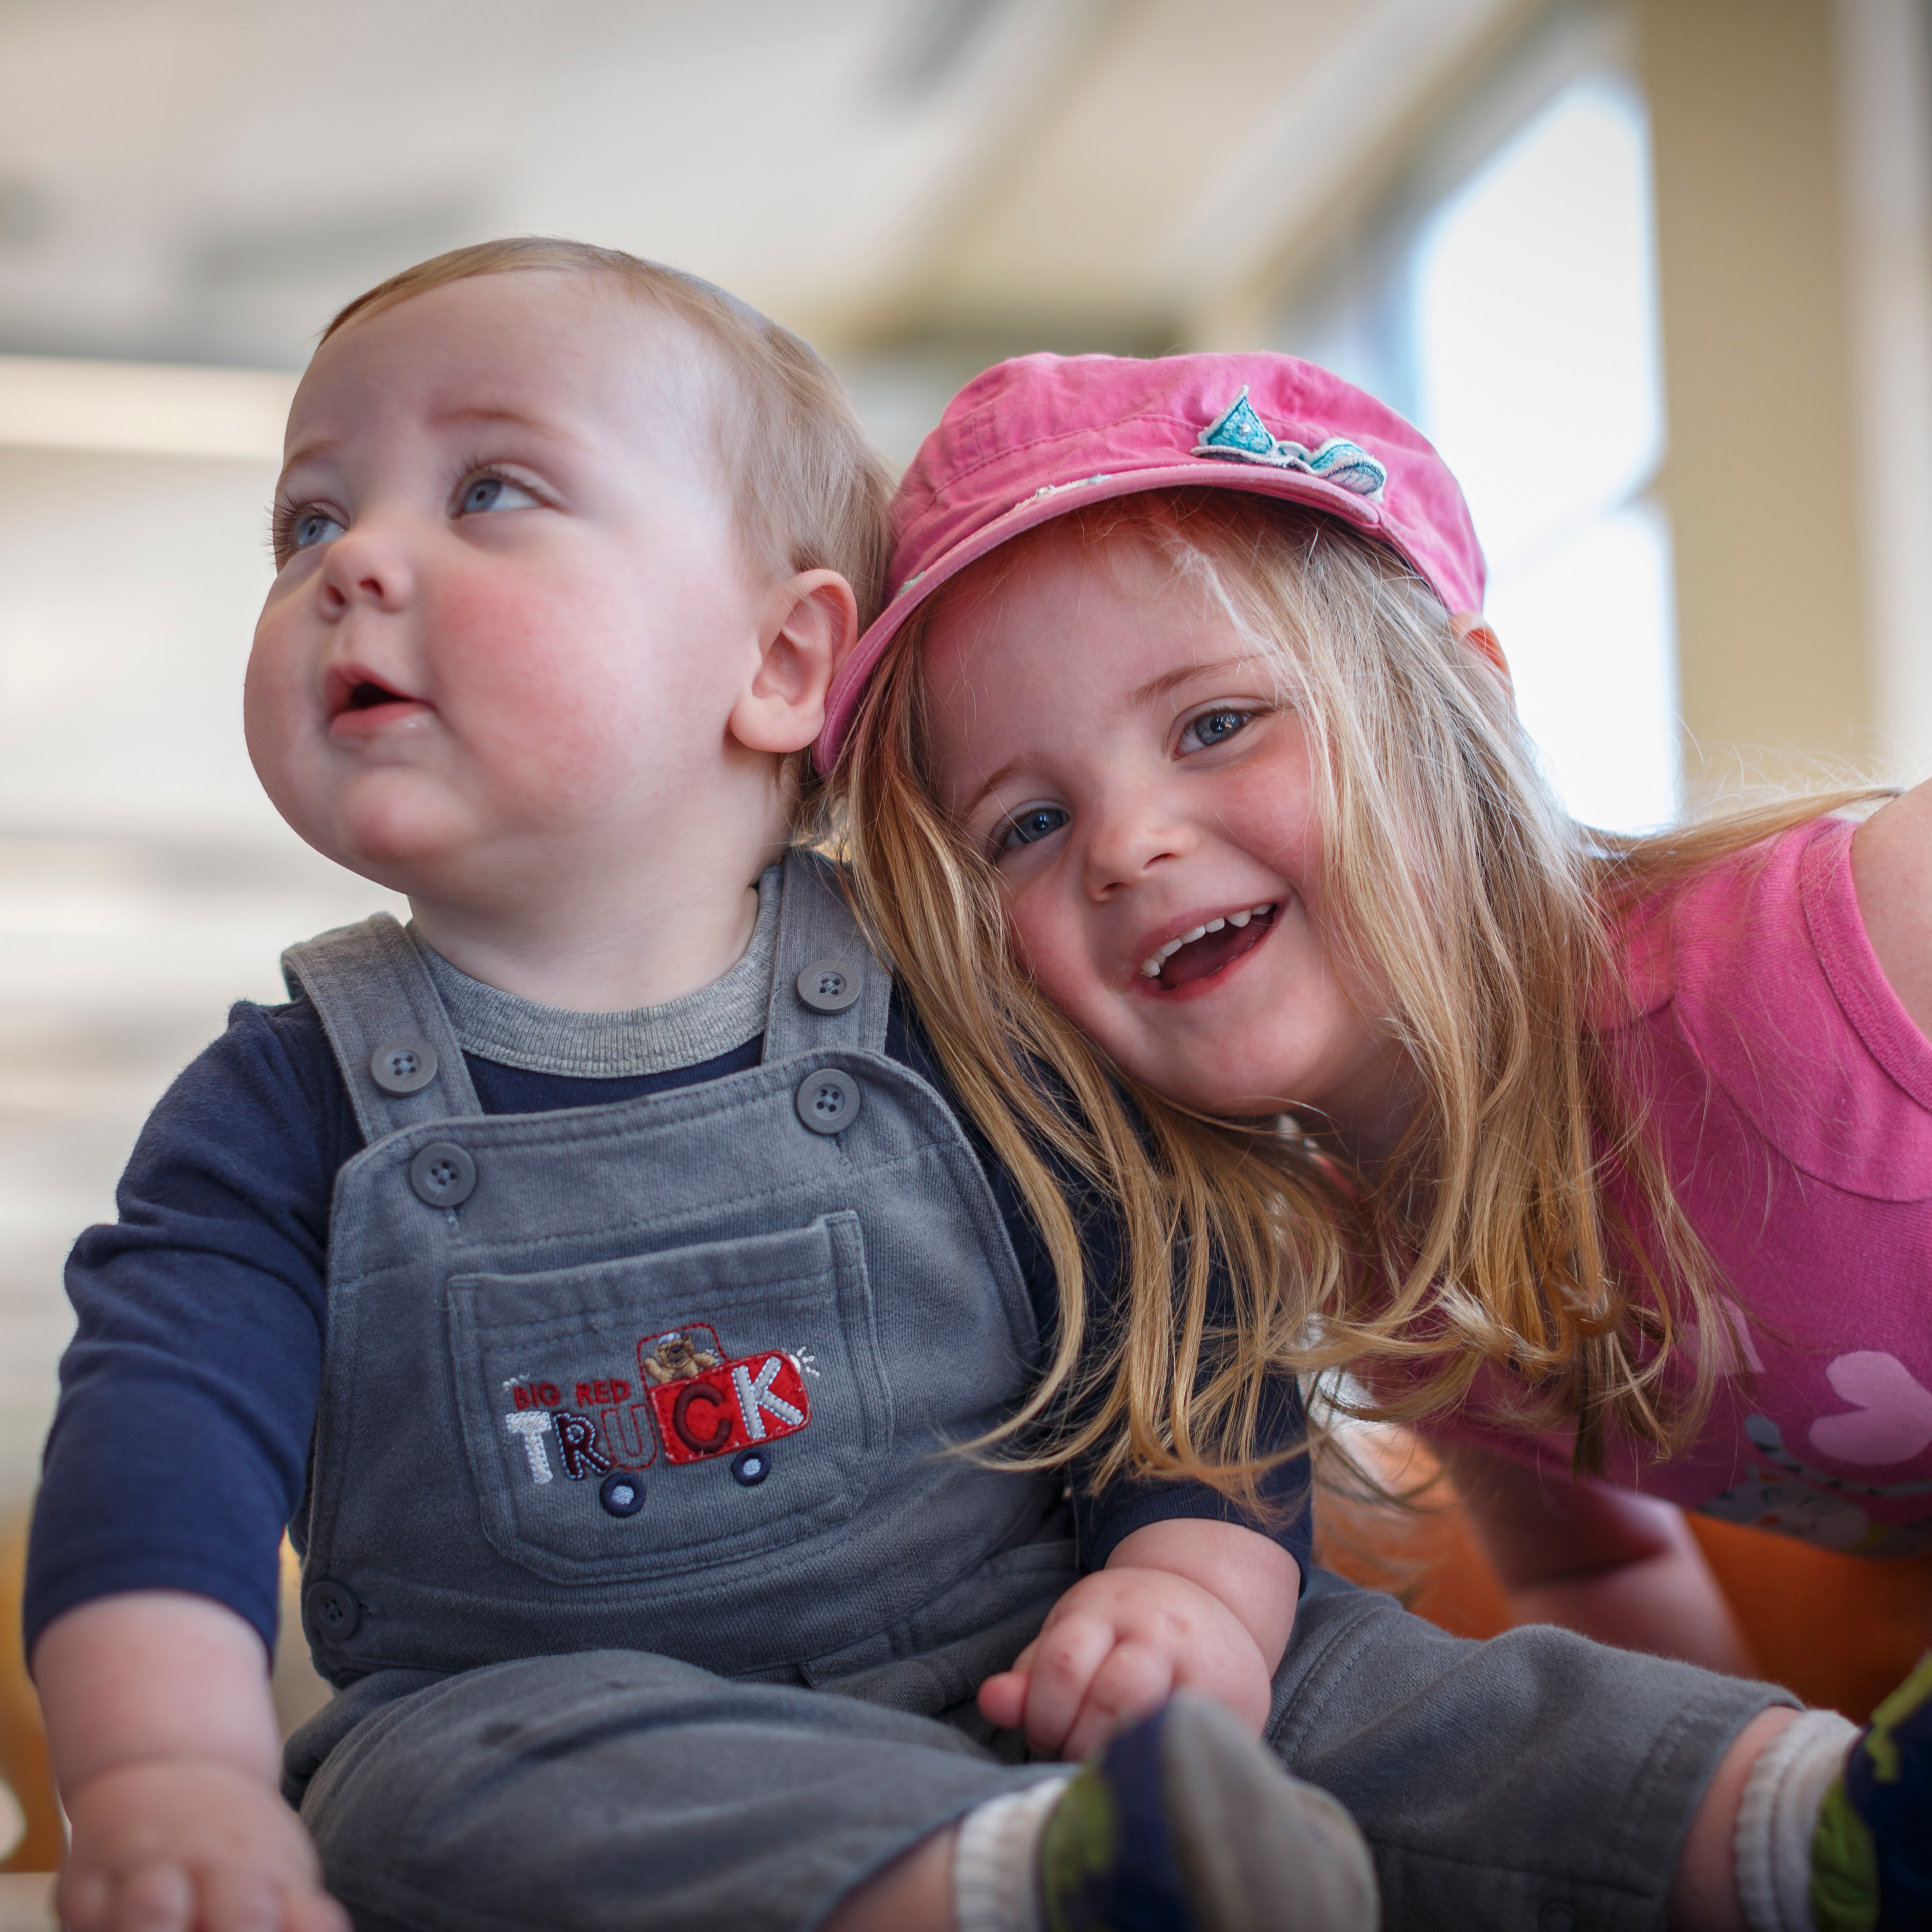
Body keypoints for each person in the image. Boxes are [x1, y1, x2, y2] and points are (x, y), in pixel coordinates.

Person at [16, 248, 1825, 1932]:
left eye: (489, 489)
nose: (353, 561)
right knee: (415, 1793)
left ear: (782, 661)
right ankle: (1038, 1882)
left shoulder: (959, 1012)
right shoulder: (285, 1110)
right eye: (309, 517)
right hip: (574, 1723)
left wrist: (1190, 1589)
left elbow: (1176, 1319)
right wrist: (169, 1774)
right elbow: (157, 1453)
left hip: (1055, 1657)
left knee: (1392, 1687)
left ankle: (1799, 1819)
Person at [817, 350, 1932, 1932]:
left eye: (1216, 724)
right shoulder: (1375, 1265)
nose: (1128, 843)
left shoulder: (1839, 952)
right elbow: (1601, 1583)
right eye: (1030, 824)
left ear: (1466, 701)